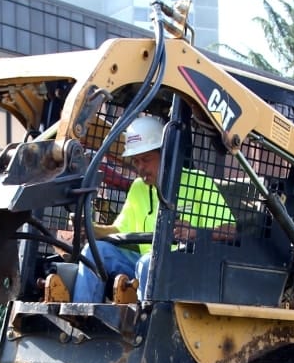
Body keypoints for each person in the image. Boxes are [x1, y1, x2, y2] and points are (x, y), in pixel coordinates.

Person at [71, 114, 235, 302]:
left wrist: (195, 233)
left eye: (146, 159)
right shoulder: (138, 187)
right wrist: (89, 228)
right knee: (93, 252)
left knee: (148, 262)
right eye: (136, 161)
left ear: (165, 153)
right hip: (145, 265)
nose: (140, 168)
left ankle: (142, 325)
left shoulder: (198, 182)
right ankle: (82, 318)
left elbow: (230, 231)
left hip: (185, 268)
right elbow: (120, 231)